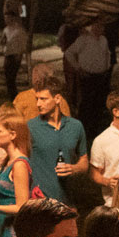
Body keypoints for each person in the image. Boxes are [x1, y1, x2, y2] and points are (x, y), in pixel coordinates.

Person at [26, 73, 89, 204]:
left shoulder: (75, 126)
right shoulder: (31, 127)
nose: (38, 104)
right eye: (37, 99)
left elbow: (84, 162)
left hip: (68, 201)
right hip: (40, 201)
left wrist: (73, 168)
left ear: (58, 99)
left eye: (43, 99)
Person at [0, 110, 34, 237]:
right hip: (4, 225)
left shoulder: (20, 164)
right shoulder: (7, 161)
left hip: (14, 230)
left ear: (13, 135)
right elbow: (7, 197)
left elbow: (21, 206)